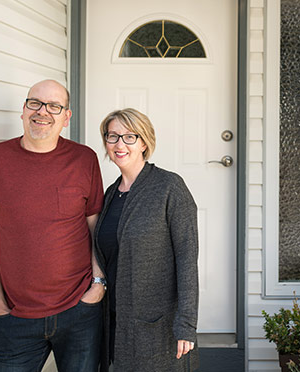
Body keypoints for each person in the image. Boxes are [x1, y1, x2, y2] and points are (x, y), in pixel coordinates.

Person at [0, 79, 106, 371]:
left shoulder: (84, 160)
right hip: (16, 317)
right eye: (35, 103)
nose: (42, 112)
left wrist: (97, 287)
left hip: (79, 311)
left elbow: (96, 230)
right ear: (23, 110)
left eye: (54, 106)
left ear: (66, 117)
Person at [93, 108, 199, 371]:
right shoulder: (109, 195)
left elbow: (187, 257)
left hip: (158, 324)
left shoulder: (169, 187)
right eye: (112, 136)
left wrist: (186, 323)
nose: (119, 144)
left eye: (129, 137)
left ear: (144, 142)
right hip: (117, 319)